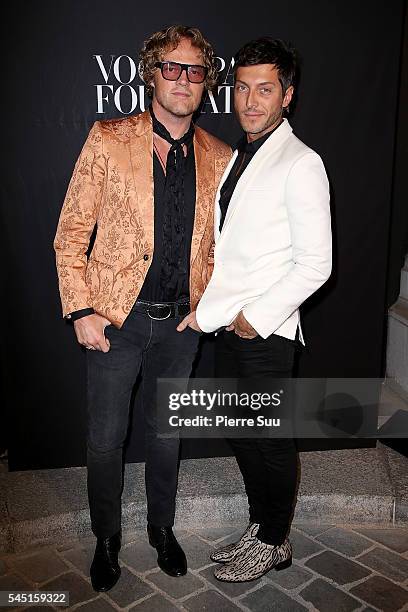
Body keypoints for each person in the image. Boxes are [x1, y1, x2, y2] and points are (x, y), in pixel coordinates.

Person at [54, 25, 231, 591]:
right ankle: (107, 538)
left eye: (195, 70)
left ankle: (161, 530)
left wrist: (209, 310)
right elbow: (71, 231)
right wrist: (80, 309)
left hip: (182, 326)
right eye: (172, 68)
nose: (183, 79)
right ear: (152, 73)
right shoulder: (108, 139)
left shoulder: (221, 157)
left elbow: (225, 247)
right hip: (116, 323)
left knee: (166, 435)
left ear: (206, 83)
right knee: (106, 438)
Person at [178, 37, 332, 581]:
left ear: (287, 95)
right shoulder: (240, 155)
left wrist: (255, 318)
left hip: (265, 332)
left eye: (264, 89)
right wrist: (215, 314)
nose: (250, 100)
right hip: (230, 328)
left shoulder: (302, 162)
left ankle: (274, 540)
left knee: (268, 438)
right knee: (242, 433)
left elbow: (317, 264)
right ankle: (262, 525)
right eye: (242, 88)